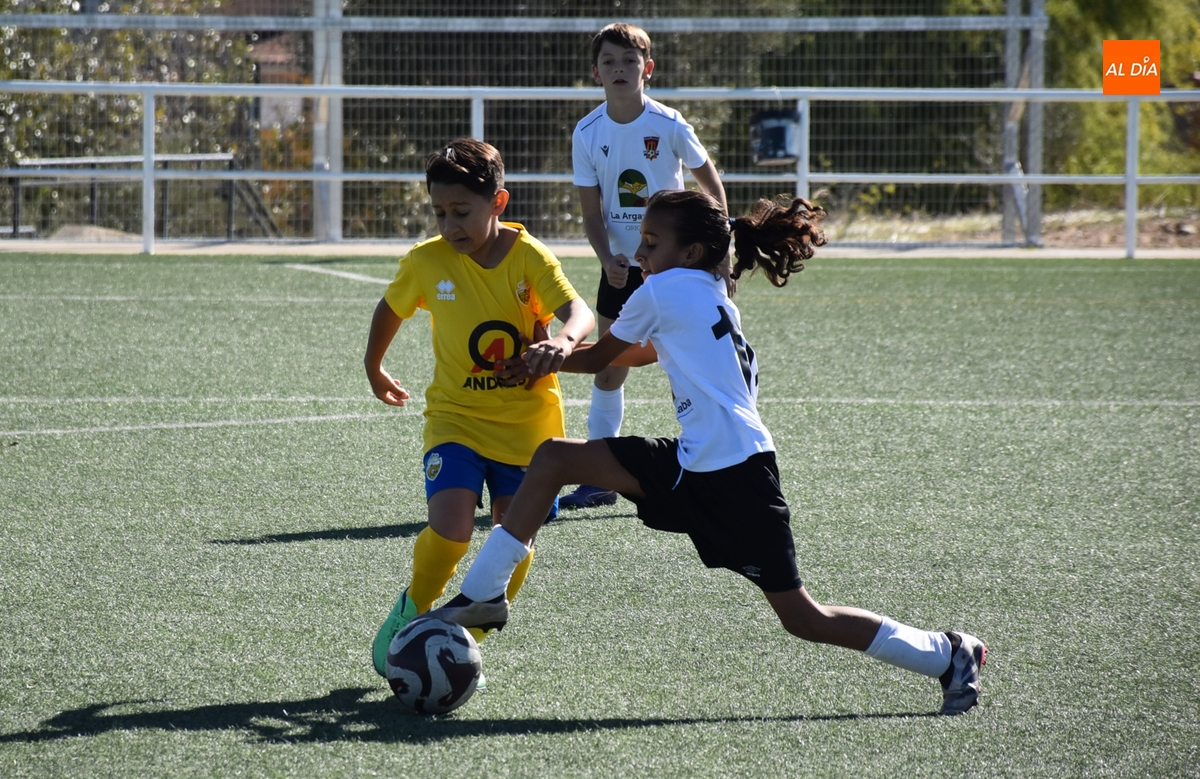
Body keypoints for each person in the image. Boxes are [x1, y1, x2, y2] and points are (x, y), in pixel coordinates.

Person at [426, 189, 988, 716]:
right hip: (698, 459)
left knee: (802, 616)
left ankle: (945, 652)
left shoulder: (664, 290)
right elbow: (647, 353)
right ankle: (484, 596)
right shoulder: (707, 289)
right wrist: (542, 359)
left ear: (690, 251)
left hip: (736, 475)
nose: (639, 252)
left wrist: (547, 353)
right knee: (553, 458)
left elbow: (604, 359)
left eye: (651, 243)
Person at [363, 138, 595, 678]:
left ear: (498, 202)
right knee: (451, 530)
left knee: (514, 538)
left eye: (461, 212)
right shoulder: (427, 261)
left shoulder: (530, 256)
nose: (450, 225)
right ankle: (413, 611)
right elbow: (390, 308)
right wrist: (374, 366)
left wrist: (561, 344)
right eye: (440, 213)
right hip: (455, 421)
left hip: (528, 431)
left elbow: (577, 310)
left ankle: (465, 632)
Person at [561, 22, 732, 510]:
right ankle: (599, 477)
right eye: (610, 62)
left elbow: (711, 189)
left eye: (629, 61)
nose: (619, 69)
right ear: (596, 73)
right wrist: (607, 259)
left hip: (679, 265)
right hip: (623, 267)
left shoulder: (670, 124)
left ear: (647, 69)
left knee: (697, 361)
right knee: (611, 368)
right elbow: (592, 213)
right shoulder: (588, 132)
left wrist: (718, 252)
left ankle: (723, 460)